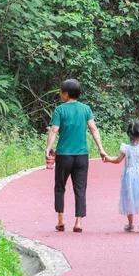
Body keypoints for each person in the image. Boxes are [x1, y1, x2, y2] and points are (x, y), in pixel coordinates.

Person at [45, 78, 106, 233]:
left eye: (61, 92)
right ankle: (78, 222)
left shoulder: (60, 110)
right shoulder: (86, 109)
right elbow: (93, 129)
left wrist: (48, 148)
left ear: (66, 94)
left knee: (60, 187)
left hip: (64, 155)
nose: (60, 94)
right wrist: (101, 148)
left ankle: (60, 220)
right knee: (80, 188)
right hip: (81, 156)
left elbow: (53, 130)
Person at [108, 120, 139, 233]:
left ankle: (130, 224)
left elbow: (117, 160)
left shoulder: (126, 148)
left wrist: (108, 158)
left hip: (129, 177)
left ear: (129, 134)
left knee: (129, 197)